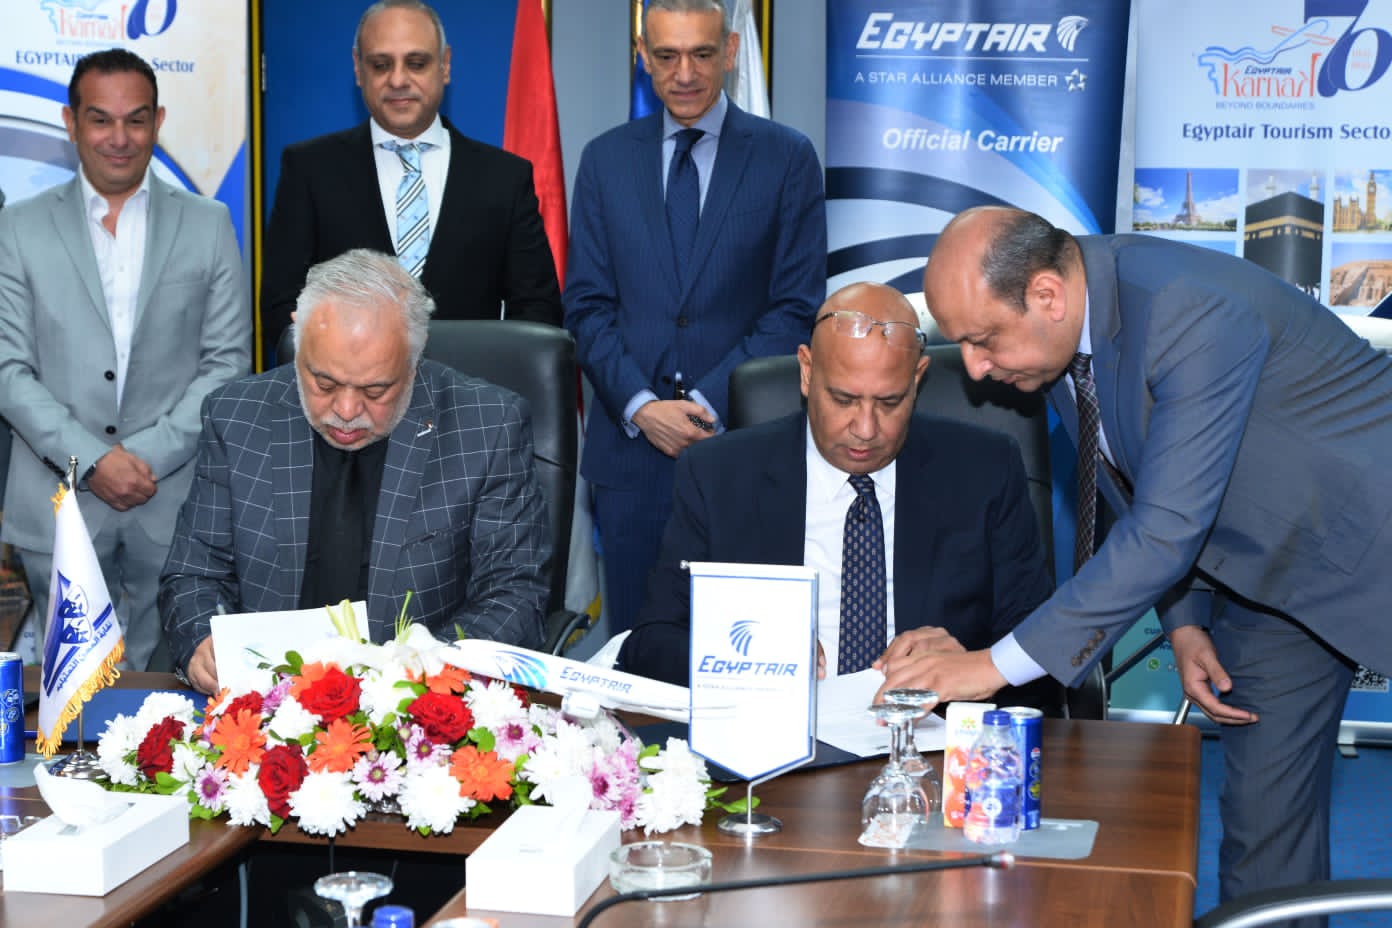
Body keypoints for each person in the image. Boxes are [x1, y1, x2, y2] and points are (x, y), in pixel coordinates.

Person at [920, 205, 1392, 920]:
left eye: (982, 340)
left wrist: (991, 665)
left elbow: (1165, 528)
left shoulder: (1183, 307)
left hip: (1375, 536)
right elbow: (1146, 479)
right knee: (1265, 834)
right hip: (1269, 579)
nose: (976, 368)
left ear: (1047, 295)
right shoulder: (1060, 341)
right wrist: (1186, 619)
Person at [621, 282, 1057, 715]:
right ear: (807, 372)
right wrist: (748, 657)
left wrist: (974, 664)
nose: (865, 429)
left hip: (929, 739)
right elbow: (650, 644)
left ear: (917, 378)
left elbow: (1041, 652)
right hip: (772, 732)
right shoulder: (719, 474)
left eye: (889, 402)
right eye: (844, 399)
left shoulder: (985, 470)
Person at [160, 248, 550, 694]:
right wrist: (200, 642)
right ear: (298, 335)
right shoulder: (237, 416)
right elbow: (194, 574)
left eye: (375, 390)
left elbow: (515, 596)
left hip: (415, 703)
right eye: (324, 383)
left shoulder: (487, 425)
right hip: (266, 700)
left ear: (415, 356)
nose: (346, 410)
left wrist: (417, 676)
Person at [565, 0, 826, 637]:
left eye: (702, 54)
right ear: (642, 56)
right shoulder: (604, 160)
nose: (685, 73)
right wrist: (643, 407)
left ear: (730, 52)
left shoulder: (787, 157)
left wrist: (709, 402)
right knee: (637, 650)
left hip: (743, 449)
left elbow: (795, 305)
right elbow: (587, 306)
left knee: (745, 651)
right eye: (667, 55)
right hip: (631, 458)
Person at [0, 49, 250, 671]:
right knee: (72, 701)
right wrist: (93, 461)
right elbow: (8, 370)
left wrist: (143, 460)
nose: (119, 138)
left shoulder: (209, 223)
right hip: (58, 504)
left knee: (172, 698)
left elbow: (227, 364)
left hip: (175, 504)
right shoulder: (18, 228)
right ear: (71, 122)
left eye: (136, 120)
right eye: (100, 119)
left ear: (158, 121)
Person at [259, 0, 561, 365]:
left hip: (472, 393)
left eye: (416, 63)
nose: (398, 80)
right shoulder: (309, 170)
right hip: (346, 394)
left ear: (445, 65)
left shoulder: (504, 178)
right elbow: (281, 307)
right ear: (358, 69)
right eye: (380, 64)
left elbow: (537, 311)